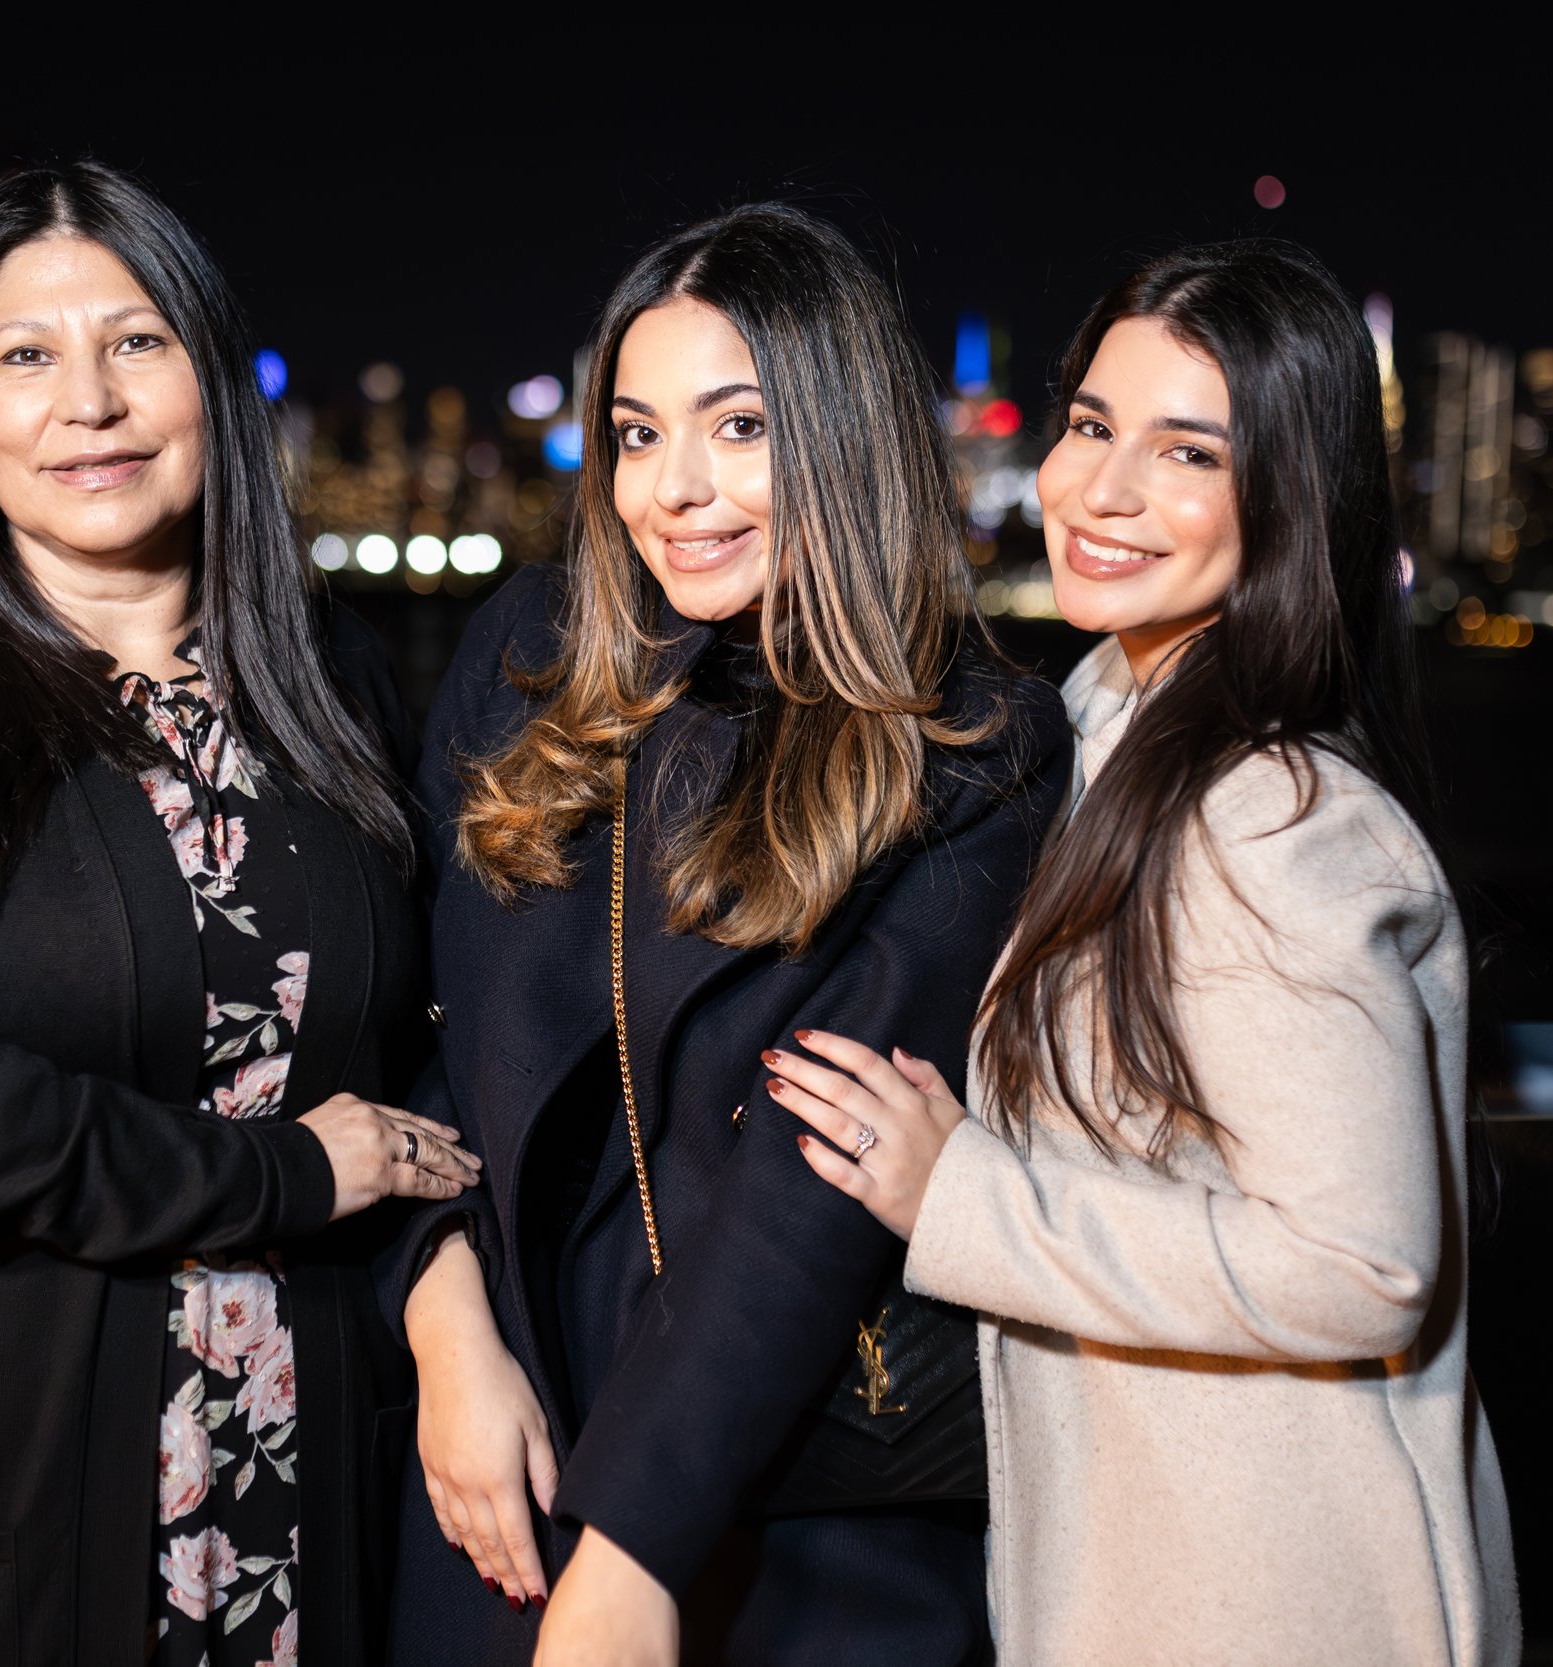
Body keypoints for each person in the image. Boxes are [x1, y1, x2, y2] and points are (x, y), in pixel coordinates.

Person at [0, 160, 476, 1667]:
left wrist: (456, 1321)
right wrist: (273, 1176)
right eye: (27, 355)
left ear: (211, 374)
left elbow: (415, 1054)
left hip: (304, 1473)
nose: (91, 402)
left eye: (136, 342)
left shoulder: (328, 685)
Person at [769, 240, 1521, 1665]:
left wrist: (963, 1199)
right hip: (1169, 1570)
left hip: (1271, 1595)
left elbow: (1361, 1264)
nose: (1099, 490)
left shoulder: (1266, 817)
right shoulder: (1109, 729)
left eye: (1186, 452)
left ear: (1292, 499)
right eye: (1093, 426)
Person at [386, 203, 1071, 1666]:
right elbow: (410, 1039)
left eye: (739, 426)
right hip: (497, 1466)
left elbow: (815, 1177)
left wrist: (631, 1554)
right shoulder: (528, 661)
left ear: (841, 435)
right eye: (636, 434)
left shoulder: (968, 740)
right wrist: (446, 1335)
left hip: (792, 1512)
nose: (673, 489)